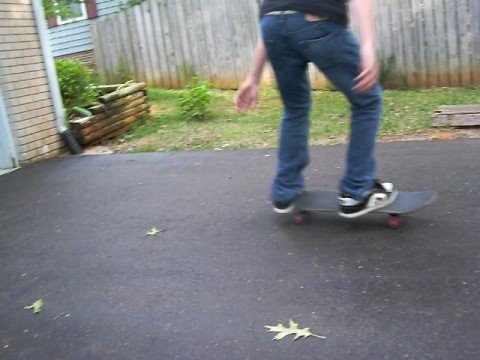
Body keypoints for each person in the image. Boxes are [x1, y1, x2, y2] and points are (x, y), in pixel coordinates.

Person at [234, 0, 398, 218]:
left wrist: (253, 76)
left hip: (272, 24)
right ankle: (357, 191)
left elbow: (281, 13)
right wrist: (368, 45)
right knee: (367, 100)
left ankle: (285, 191)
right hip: (316, 18)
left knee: (294, 108)